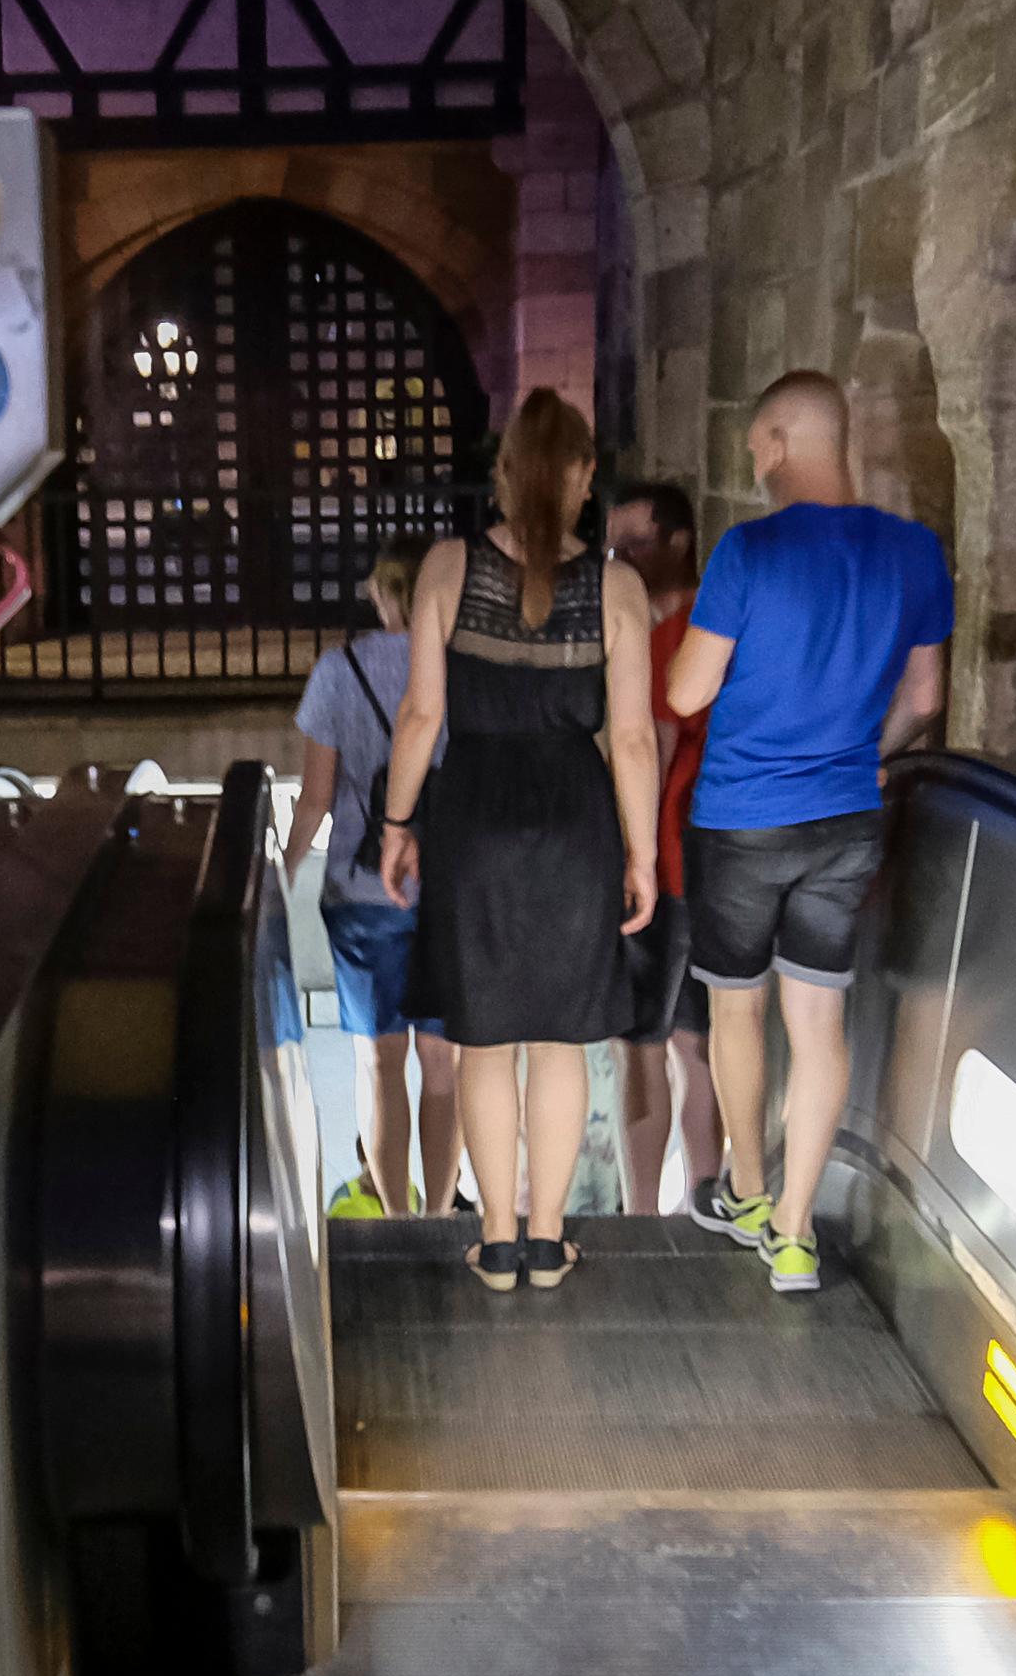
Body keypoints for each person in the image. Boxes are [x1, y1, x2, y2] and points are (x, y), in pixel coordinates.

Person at [664, 369, 949, 1298]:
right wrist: (867, 752)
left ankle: (745, 1190)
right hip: (845, 819)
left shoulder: (748, 553)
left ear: (781, 439)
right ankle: (794, 1236)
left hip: (742, 819)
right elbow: (925, 700)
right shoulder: (914, 552)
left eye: (754, 445)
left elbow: (686, 693)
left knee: (735, 1010)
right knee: (819, 1021)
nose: (753, 461)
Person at [374, 389, 657, 1293]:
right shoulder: (617, 586)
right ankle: (546, 1239)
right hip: (577, 821)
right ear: (580, 477)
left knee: (485, 1043)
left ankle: (495, 1242)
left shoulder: (448, 568)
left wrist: (397, 822)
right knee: (563, 1042)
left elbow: (421, 715)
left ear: (502, 474)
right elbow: (636, 738)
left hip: (475, 817)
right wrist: (642, 853)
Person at [285, 547, 447, 1216]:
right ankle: (440, 1216)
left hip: (360, 894)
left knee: (380, 1064)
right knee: (444, 1068)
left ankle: (397, 1220)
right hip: (445, 893)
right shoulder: (457, 671)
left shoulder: (336, 672)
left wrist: (283, 871)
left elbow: (316, 797)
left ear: (380, 597)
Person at [602, 474, 720, 1219]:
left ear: (679, 540)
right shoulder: (728, 626)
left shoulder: (663, 643)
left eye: (634, 543)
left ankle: (640, 1214)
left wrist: (625, 853)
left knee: (640, 1045)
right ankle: (710, 1199)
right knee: (700, 1045)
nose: (620, 558)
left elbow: (652, 742)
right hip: (727, 862)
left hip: (665, 859)